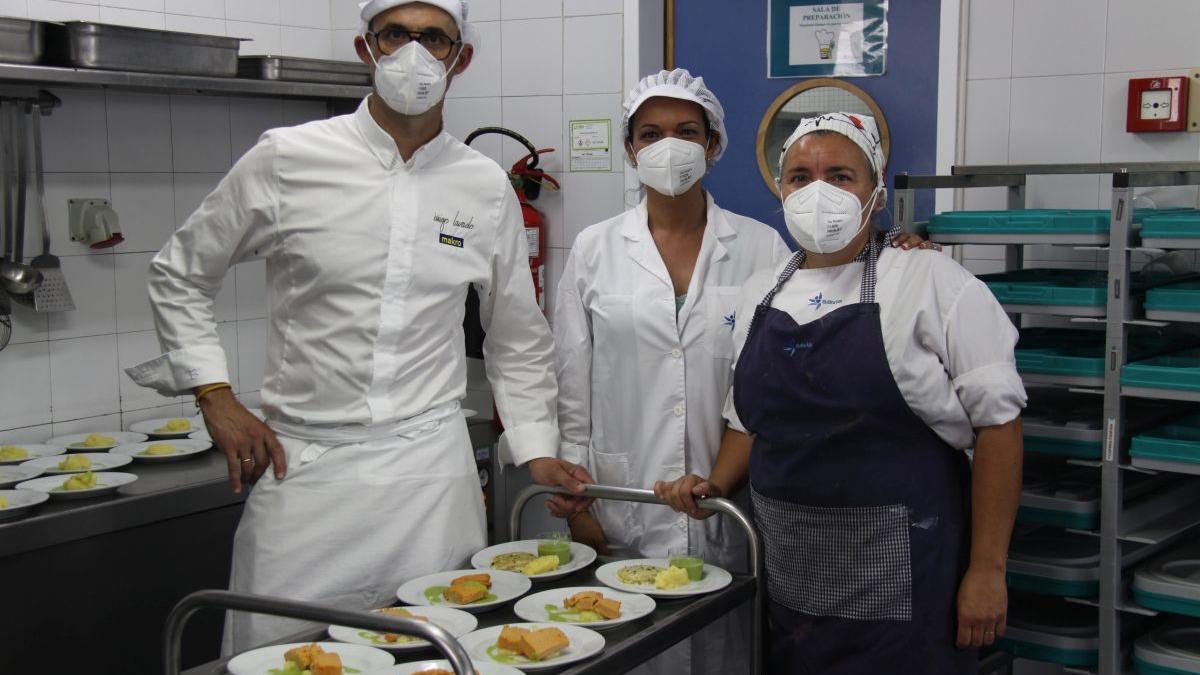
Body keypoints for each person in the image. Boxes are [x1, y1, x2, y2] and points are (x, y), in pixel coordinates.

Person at [126, 0, 591, 653]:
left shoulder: (482, 184)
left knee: (433, 651)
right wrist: (215, 393)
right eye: (395, 34)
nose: (413, 53)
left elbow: (514, 328)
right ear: (365, 48)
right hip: (308, 472)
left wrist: (537, 443)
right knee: (280, 654)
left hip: (429, 476)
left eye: (434, 38)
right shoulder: (288, 157)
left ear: (461, 59)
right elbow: (180, 271)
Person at [553, 73, 930, 674]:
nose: (667, 147)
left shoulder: (763, 248)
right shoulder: (594, 250)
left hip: (731, 505)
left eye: (685, 132)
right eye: (649, 134)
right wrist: (579, 502)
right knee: (624, 654)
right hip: (622, 499)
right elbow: (571, 383)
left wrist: (893, 249)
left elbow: (824, 308)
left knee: (725, 651)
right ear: (629, 148)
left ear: (713, 143)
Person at [655, 112, 1025, 674]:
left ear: (876, 192)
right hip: (790, 578)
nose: (818, 191)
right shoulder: (761, 292)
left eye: (841, 176)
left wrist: (988, 569)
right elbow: (749, 423)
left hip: (903, 583)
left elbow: (999, 426)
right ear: (780, 189)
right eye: (801, 176)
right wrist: (716, 484)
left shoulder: (932, 282)